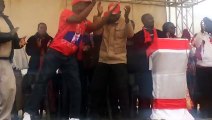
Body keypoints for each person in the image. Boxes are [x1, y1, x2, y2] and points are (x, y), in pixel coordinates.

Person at [22, 0, 119, 120]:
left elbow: (96, 26)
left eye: (88, 4)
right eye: (85, 4)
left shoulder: (84, 22)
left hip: (69, 57)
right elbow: (78, 18)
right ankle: (29, 112)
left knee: (76, 86)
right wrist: (92, 4)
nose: (87, 6)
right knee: (42, 80)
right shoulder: (66, 13)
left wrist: (108, 13)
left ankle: (74, 117)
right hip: (55, 53)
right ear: (77, 5)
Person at [89, 2, 134, 119]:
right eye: (109, 14)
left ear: (119, 14)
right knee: (97, 87)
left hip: (119, 60)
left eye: (113, 15)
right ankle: (94, 113)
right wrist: (99, 14)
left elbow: (130, 35)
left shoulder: (124, 22)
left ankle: (125, 115)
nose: (111, 17)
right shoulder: (104, 21)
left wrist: (128, 17)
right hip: (103, 59)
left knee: (122, 88)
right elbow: (96, 32)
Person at [132, 13, 165, 119]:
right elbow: (135, 53)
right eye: (149, 18)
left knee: (159, 94)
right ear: (143, 21)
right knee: (145, 95)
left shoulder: (161, 34)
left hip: (160, 70)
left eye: (152, 18)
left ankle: (159, 115)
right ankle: (144, 115)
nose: (152, 20)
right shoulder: (137, 36)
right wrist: (148, 51)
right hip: (144, 71)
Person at [0, 0, 27, 119]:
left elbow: (13, 41)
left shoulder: (6, 20)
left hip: (6, 61)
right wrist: (10, 34)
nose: (1, 6)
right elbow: (7, 36)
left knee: (10, 90)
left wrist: (19, 43)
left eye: (2, 4)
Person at [24, 22, 53, 118]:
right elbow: (28, 52)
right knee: (32, 90)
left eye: (44, 28)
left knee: (46, 90)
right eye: (41, 27)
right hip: (33, 68)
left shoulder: (50, 39)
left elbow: (53, 53)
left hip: (46, 68)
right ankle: (32, 111)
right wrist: (38, 47)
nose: (42, 29)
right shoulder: (32, 39)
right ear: (37, 28)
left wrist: (46, 49)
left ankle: (47, 110)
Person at [192, 18, 212, 118]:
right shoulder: (199, 35)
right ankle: (205, 112)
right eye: (204, 24)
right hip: (202, 68)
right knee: (204, 90)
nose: (206, 26)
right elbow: (194, 46)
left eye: (209, 24)